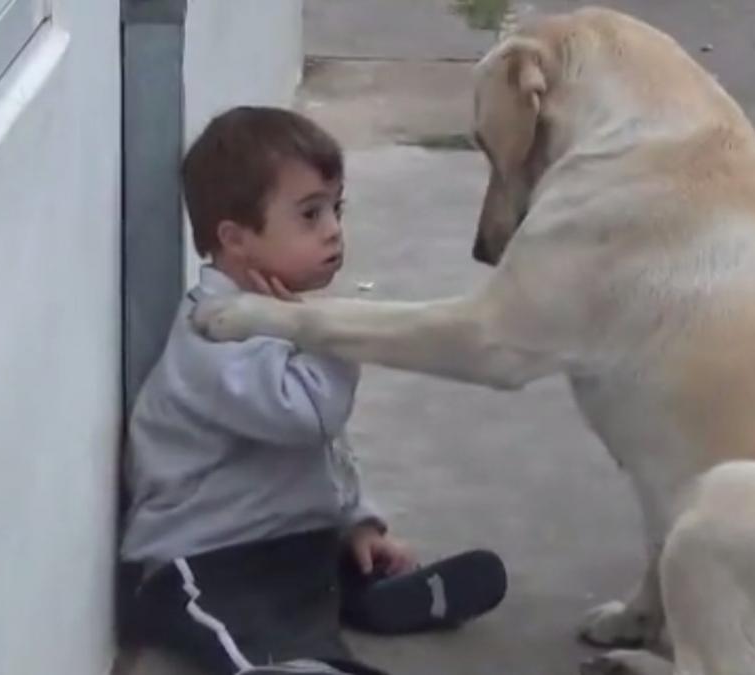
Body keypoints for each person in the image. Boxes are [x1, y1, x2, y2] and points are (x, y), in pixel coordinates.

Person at [119, 106, 507, 675]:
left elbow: (323, 455)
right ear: (236, 238)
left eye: (335, 208)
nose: (333, 229)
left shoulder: (280, 317)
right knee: (258, 635)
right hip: (203, 562)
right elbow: (308, 417)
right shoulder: (215, 334)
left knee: (314, 581)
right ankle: (309, 655)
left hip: (289, 544)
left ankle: (366, 593)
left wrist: (357, 520)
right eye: (309, 214)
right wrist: (337, 336)